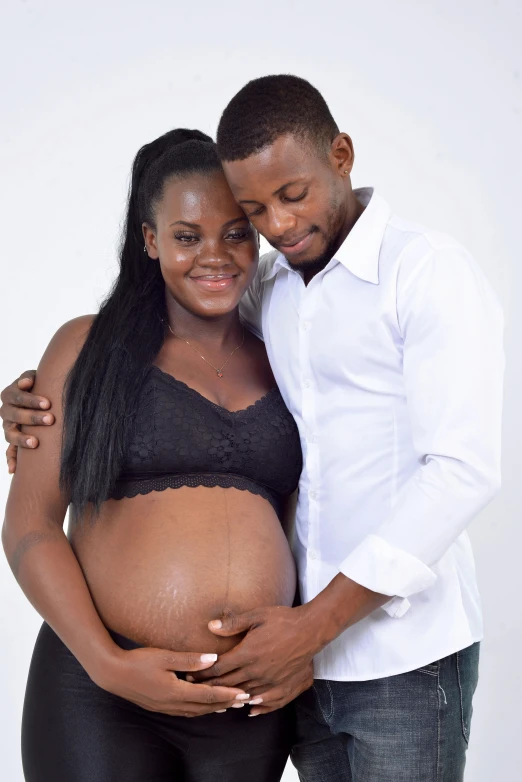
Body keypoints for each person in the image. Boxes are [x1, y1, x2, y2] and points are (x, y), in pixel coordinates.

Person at [2, 75, 505, 781]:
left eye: (251, 223)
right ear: (150, 240)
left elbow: (463, 468)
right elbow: (34, 514)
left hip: (334, 672)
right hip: (193, 680)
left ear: (342, 156)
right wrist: (28, 395)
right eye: (248, 212)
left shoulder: (397, 281)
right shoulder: (237, 307)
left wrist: (311, 629)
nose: (262, 233)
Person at [1, 127, 304, 782]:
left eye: (235, 232)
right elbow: (27, 525)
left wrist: (304, 641)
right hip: (102, 695)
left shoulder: (285, 356)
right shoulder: (89, 349)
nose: (215, 256)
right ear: (150, 241)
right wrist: (107, 664)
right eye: (187, 236)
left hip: (245, 703)